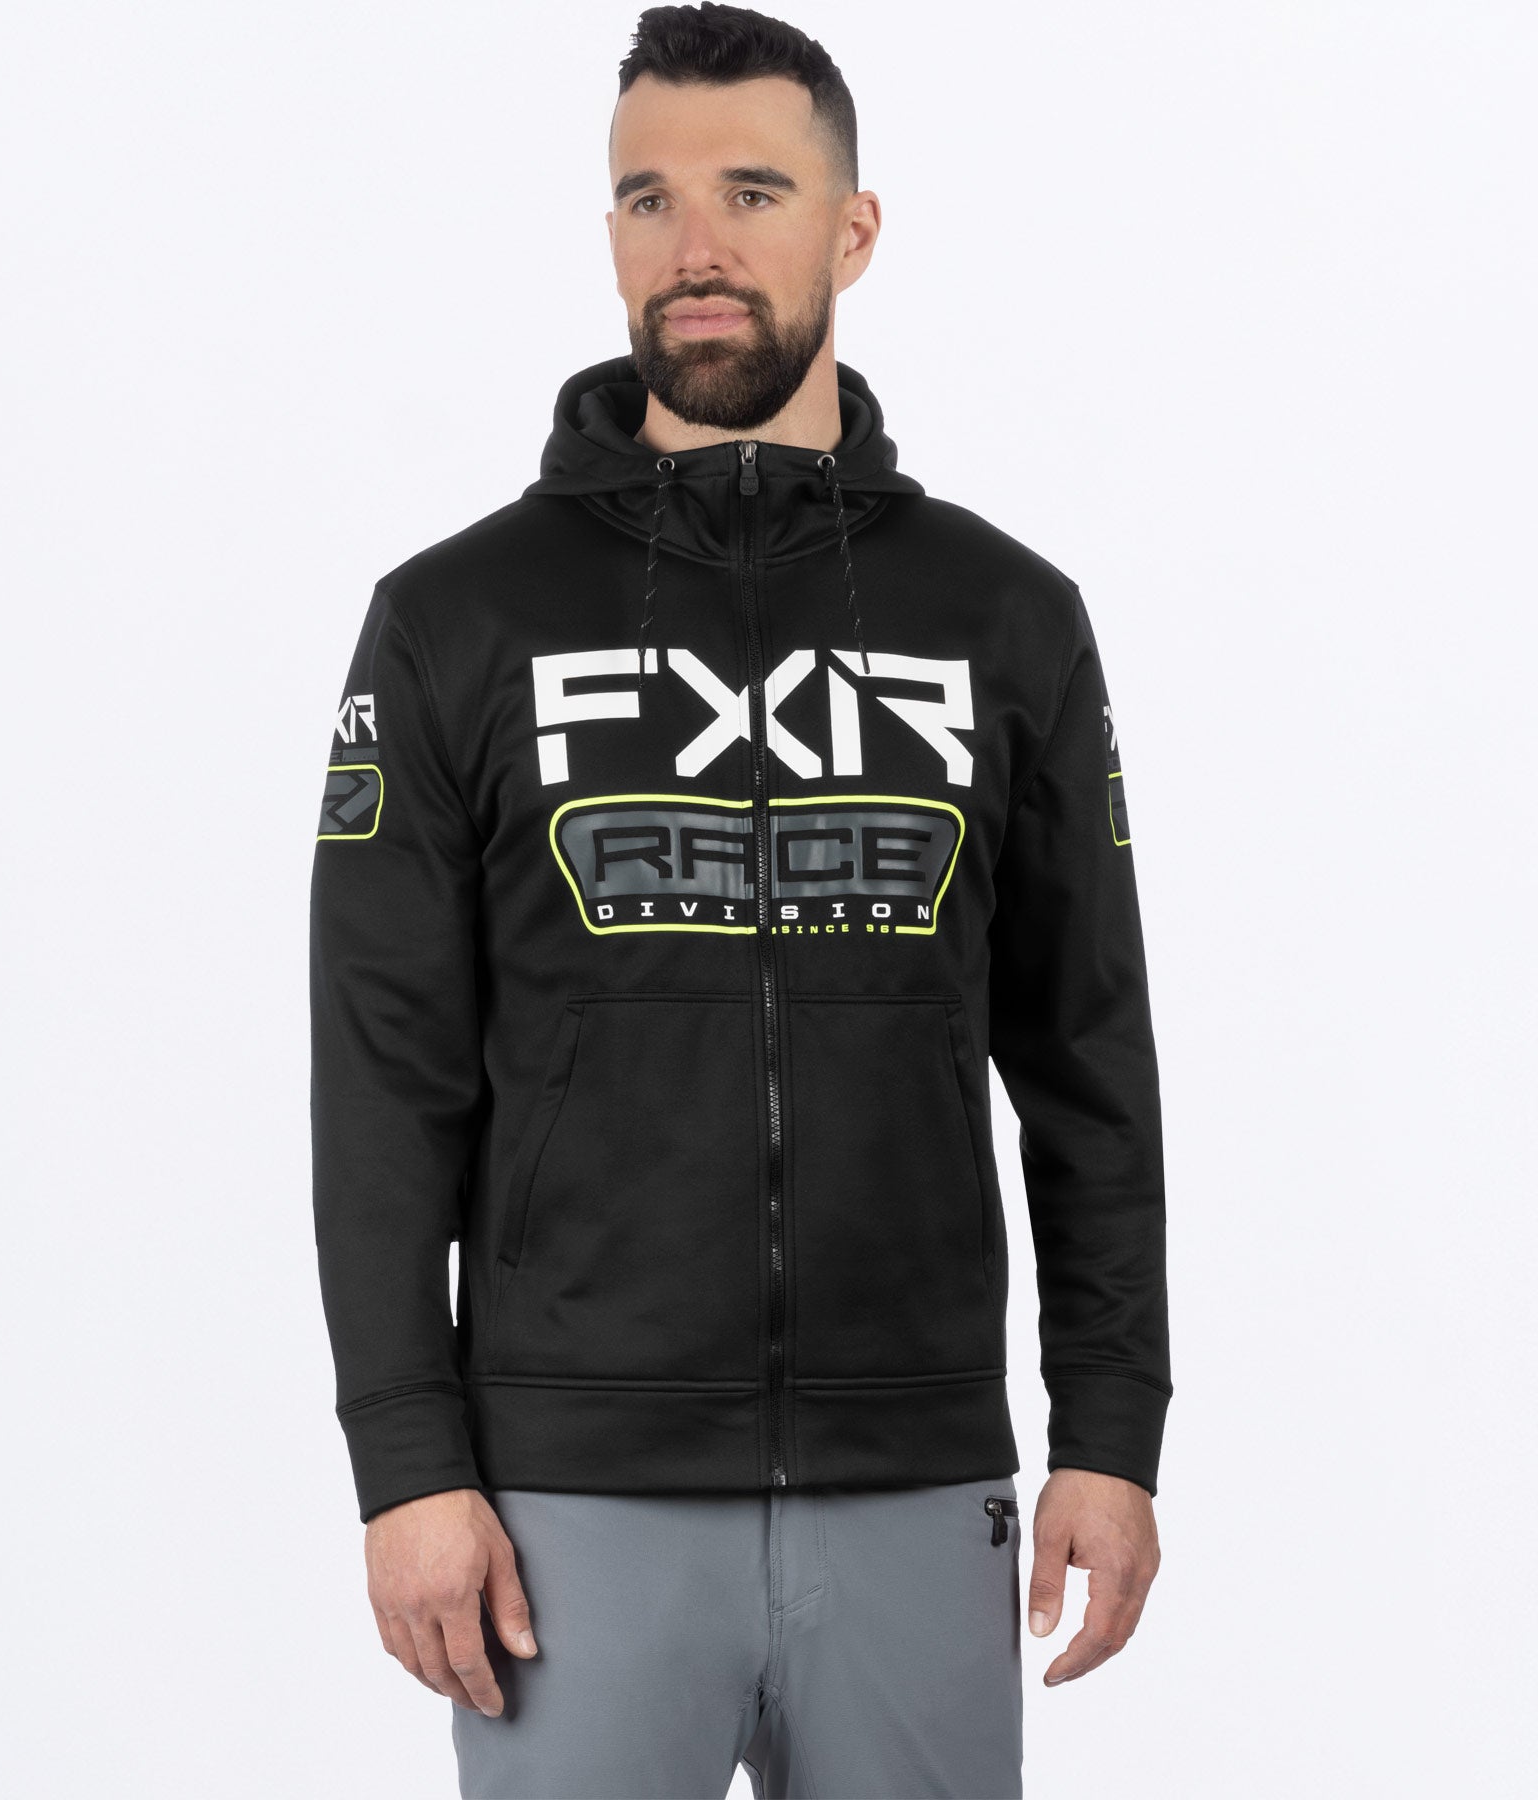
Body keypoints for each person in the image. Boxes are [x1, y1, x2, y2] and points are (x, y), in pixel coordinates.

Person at [308, 5, 1171, 1794]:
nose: (693, 246)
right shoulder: (455, 618)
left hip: (920, 1480)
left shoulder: (1007, 618)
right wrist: (406, 1463)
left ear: (853, 232)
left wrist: (1111, 1427)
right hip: (566, 1502)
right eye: (649, 199)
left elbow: (1088, 1056)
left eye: (752, 193)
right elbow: (386, 1076)